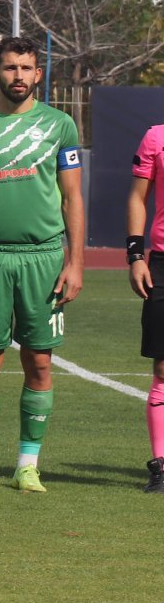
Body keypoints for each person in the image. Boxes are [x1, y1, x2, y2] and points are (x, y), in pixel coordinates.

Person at [0, 35, 84, 492]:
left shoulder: (60, 125)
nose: (18, 76)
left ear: (39, 74)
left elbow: (71, 197)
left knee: (39, 363)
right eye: (10, 68)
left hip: (43, 257)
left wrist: (75, 262)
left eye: (26, 68)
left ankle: (28, 464)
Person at [128, 117, 164, 493]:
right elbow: (138, 196)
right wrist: (135, 255)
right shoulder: (156, 135)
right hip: (163, 264)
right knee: (163, 366)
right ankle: (162, 466)